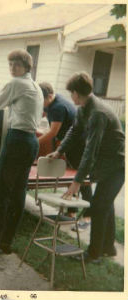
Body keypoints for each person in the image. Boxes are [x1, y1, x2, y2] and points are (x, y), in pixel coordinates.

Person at [47, 72, 125, 263]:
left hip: (116, 166)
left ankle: (93, 254)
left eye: (71, 93)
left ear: (76, 93)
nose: (70, 96)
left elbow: (90, 151)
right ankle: (108, 248)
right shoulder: (84, 109)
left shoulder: (97, 113)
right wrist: (59, 151)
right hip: (105, 164)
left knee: (99, 207)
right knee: (104, 206)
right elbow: (75, 131)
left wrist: (77, 181)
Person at [0, 49, 44, 263]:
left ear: (26, 67)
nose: (12, 68)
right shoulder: (37, 87)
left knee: (1, 193)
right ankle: (6, 242)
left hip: (17, 140)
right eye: (10, 64)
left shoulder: (17, 84)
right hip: (31, 142)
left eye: (16, 64)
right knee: (18, 193)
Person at [39, 82, 92, 230]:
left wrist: (34, 142)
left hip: (79, 145)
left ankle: (88, 217)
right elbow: (41, 113)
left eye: (41, 100)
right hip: (69, 144)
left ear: (49, 96)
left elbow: (52, 133)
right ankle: (72, 212)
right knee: (71, 179)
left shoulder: (57, 107)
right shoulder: (51, 102)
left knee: (82, 179)